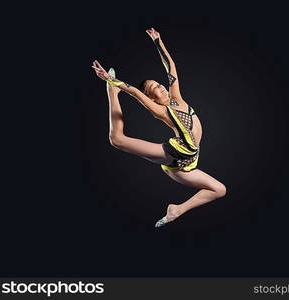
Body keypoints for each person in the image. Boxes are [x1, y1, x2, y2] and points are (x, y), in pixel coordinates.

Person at [91, 28, 226, 227]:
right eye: (154, 88)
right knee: (117, 139)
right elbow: (137, 93)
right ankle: (112, 93)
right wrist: (112, 81)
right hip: (177, 152)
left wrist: (158, 42)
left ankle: (177, 209)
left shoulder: (176, 97)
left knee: (220, 190)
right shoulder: (160, 110)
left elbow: (170, 67)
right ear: (153, 97)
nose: (160, 86)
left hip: (188, 163)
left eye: (158, 83)